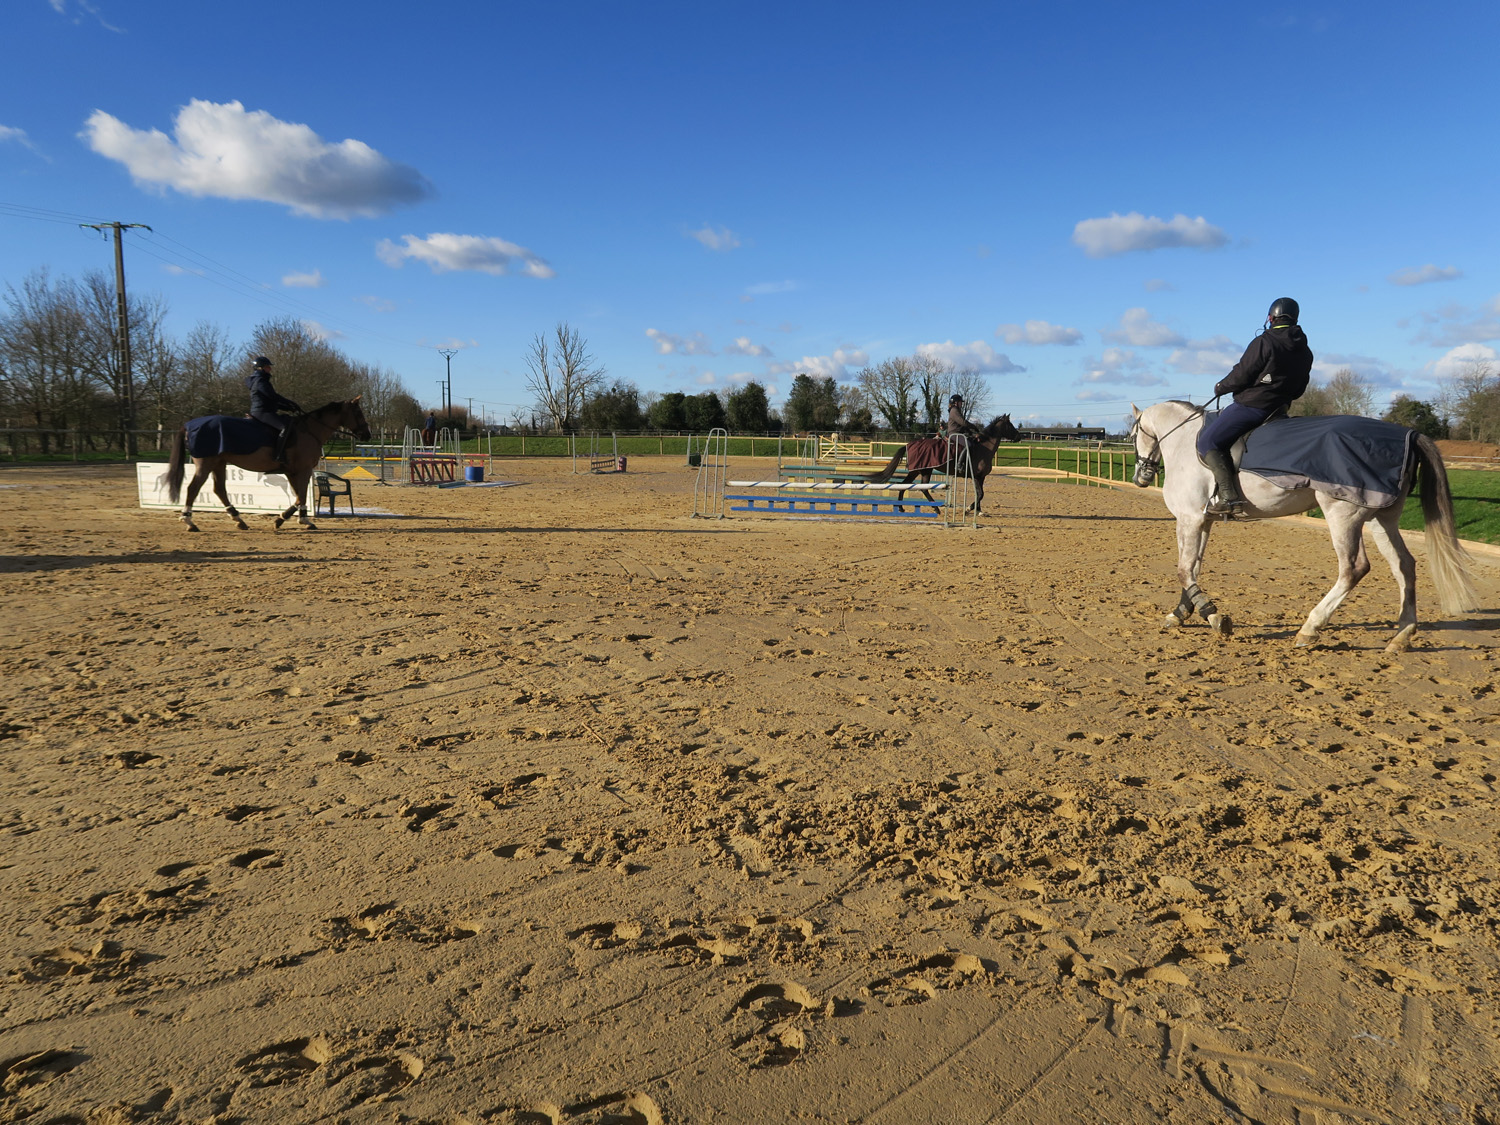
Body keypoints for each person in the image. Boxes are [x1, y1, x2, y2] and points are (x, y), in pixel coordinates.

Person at [1196, 297, 1314, 516]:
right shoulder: (1305, 351)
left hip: (1252, 407)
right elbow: (1299, 389)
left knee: (1208, 441)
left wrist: (1222, 386)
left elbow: (1242, 374)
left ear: (1271, 318)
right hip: (1279, 410)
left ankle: (1228, 497)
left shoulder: (1265, 342)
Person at [244, 355, 302, 466]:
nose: (270, 369)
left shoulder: (260, 380)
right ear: (260, 368)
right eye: (267, 367)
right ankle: (278, 455)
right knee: (284, 428)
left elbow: (271, 401)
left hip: (264, 410)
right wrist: (290, 402)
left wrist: (288, 408)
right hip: (262, 412)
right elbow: (273, 396)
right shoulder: (260, 381)